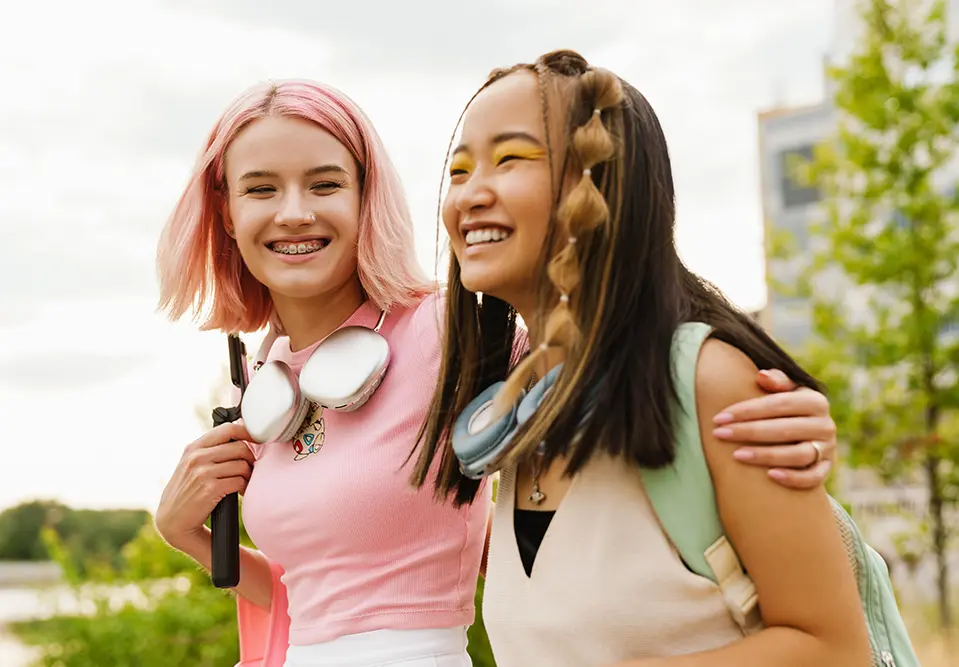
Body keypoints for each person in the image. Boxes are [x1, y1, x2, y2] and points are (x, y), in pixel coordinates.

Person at [153, 78, 842, 667]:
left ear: (368, 200)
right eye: (261, 189)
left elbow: (604, 365)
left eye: (325, 183)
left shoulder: (447, 332)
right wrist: (183, 532)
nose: (294, 211)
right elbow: (323, 591)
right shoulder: (267, 382)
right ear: (228, 215)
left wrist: (787, 406)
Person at [412, 50, 872, 667]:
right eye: (460, 171)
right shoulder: (514, 416)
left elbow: (832, 647)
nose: (469, 195)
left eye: (511, 158)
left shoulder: (708, 381)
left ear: (602, 183)